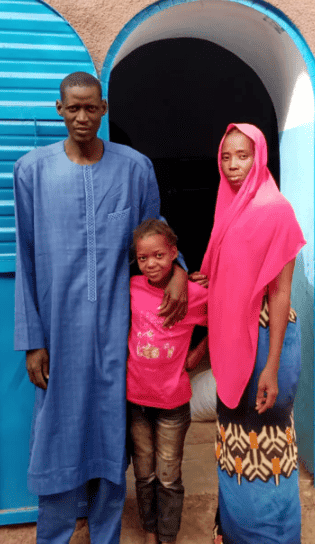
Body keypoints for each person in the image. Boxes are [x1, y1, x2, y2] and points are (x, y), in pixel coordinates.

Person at [13, 71, 188, 544]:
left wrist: (178, 271)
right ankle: (55, 533)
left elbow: (155, 233)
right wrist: (32, 340)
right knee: (57, 432)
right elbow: (24, 257)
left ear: (104, 109)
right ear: (59, 109)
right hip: (59, 332)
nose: (82, 117)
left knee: (111, 433)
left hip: (117, 331)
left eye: (91, 108)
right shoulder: (32, 171)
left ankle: (105, 533)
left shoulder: (134, 169)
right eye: (73, 108)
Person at [189, 123, 306, 544]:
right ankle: (234, 532)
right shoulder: (229, 209)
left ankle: (272, 535)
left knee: (267, 447)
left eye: (243, 155)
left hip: (266, 342)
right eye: (226, 156)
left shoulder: (275, 210)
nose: (233, 165)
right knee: (234, 443)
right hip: (233, 341)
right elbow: (230, 279)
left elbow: (279, 293)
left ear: (260, 157)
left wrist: (271, 367)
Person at [127, 219, 209, 544]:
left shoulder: (193, 294)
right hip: (136, 401)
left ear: (174, 253)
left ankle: (168, 536)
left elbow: (223, 318)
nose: (151, 264)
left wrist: (198, 352)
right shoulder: (131, 288)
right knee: (144, 475)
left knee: (168, 476)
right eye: (143, 258)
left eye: (159, 255)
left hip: (172, 404)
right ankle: (150, 533)